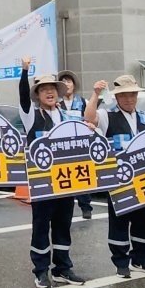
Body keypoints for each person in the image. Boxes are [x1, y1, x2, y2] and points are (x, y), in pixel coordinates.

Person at [19, 57, 86, 288]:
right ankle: (40, 271)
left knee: (63, 225)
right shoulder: (31, 116)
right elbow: (22, 99)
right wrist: (24, 71)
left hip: (67, 181)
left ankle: (63, 268)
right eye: (44, 90)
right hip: (42, 183)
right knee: (41, 226)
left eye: (52, 89)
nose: (49, 93)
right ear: (37, 95)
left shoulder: (68, 116)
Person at [84, 76, 145, 278]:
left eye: (132, 94)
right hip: (118, 178)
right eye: (124, 95)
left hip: (143, 178)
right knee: (119, 221)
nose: (129, 99)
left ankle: (141, 259)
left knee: (143, 221)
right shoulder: (108, 115)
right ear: (117, 97)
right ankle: (121, 262)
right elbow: (89, 118)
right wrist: (95, 94)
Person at [59, 70, 95, 220]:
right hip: (61, 147)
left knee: (82, 176)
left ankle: (86, 207)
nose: (67, 84)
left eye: (69, 81)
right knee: (64, 177)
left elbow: (90, 119)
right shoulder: (56, 103)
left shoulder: (83, 102)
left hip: (80, 146)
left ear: (74, 85)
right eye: (63, 82)